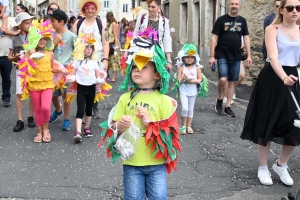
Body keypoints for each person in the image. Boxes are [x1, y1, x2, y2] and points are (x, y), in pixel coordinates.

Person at [99, 31, 181, 199]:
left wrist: (150, 122)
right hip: (132, 162)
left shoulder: (165, 101)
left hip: (156, 162)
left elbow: (172, 134)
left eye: (144, 67)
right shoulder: (125, 98)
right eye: (135, 66)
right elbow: (112, 126)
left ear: (157, 73)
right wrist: (119, 125)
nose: (137, 70)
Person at [241, 0, 300, 186]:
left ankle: (281, 164)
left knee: (295, 124)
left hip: (294, 77)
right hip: (273, 78)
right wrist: (284, 78)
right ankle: (263, 167)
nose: (295, 11)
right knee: (267, 122)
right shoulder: (272, 29)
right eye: (290, 7)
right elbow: (273, 57)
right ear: (281, 9)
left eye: (298, 7)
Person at [17, 20, 67, 143]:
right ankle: (39, 132)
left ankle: (46, 129)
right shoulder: (29, 53)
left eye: (45, 39)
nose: (42, 41)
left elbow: (50, 68)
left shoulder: (50, 53)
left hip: (47, 84)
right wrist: (30, 56)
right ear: (35, 39)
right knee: (38, 109)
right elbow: (23, 69)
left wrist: (60, 70)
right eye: (40, 39)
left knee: (45, 107)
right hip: (34, 84)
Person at [209, 0, 252, 117]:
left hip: (236, 56)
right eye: (232, 4)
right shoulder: (221, 20)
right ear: (228, 5)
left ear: (240, 6)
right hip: (222, 54)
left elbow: (246, 38)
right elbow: (214, 38)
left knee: (232, 81)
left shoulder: (242, 21)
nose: (234, 6)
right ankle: (219, 98)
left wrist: (249, 55)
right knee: (223, 79)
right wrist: (212, 56)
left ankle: (228, 106)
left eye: (236, 4)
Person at [72, 0, 109, 119]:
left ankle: (94, 106)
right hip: (81, 60)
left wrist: (105, 59)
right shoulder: (78, 23)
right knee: (83, 83)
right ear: (84, 9)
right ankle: (82, 110)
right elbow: (74, 42)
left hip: (97, 59)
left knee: (97, 84)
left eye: (93, 8)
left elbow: (106, 42)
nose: (90, 10)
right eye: (88, 8)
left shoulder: (101, 24)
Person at [67, 34, 106, 142]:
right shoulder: (77, 62)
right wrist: (69, 78)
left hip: (91, 89)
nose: (89, 50)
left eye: (91, 48)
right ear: (81, 49)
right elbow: (72, 74)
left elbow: (98, 75)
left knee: (89, 110)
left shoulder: (95, 62)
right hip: (81, 89)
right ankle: (78, 132)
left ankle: (87, 128)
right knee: (80, 110)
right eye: (86, 47)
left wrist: (100, 79)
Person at [49, 9, 77, 130]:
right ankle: (58, 110)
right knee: (52, 94)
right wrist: (54, 43)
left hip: (66, 69)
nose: (51, 24)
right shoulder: (50, 35)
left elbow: (77, 53)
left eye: (53, 21)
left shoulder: (71, 36)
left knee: (66, 95)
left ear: (61, 22)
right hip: (53, 69)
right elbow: (47, 52)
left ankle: (66, 119)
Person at [8, 12, 36, 132]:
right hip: (20, 69)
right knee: (19, 94)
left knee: (32, 93)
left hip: (33, 69)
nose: (29, 25)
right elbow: (9, 56)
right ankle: (20, 120)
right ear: (20, 25)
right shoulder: (14, 38)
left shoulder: (35, 35)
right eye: (26, 23)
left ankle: (31, 116)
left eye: (30, 22)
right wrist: (15, 57)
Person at [134, 0, 173, 71]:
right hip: (143, 53)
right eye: (149, 6)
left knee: (157, 75)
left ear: (159, 7)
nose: (150, 9)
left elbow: (167, 40)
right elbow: (135, 36)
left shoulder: (164, 21)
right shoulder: (141, 18)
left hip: (158, 54)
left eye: (153, 7)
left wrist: (169, 60)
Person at [175, 44, 203, 134]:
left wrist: (194, 81)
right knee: (185, 108)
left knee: (191, 109)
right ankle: (183, 126)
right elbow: (178, 81)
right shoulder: (181, 68)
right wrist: (183, 78)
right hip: (183, 90)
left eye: (192, 57)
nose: (189, 59)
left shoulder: (197, 68)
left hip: (193, 91)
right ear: (182, 58)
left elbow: (200, 79)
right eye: (187, 57)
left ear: (195, 58)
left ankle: (189, 126)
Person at [0, 14, 15, 107]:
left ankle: (6, 97)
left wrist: (8, 31)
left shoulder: (11, 20)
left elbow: (19, 31)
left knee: (6, 78)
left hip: (6, 54)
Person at [106, 12, 121, 82]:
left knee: (114, 60)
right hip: (108, 44)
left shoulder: (114, 24)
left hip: (113, 44)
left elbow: (115, 35)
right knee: (107, 60)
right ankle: (107, 74)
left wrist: (116, 46)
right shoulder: (108, 25)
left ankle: (114, 76)